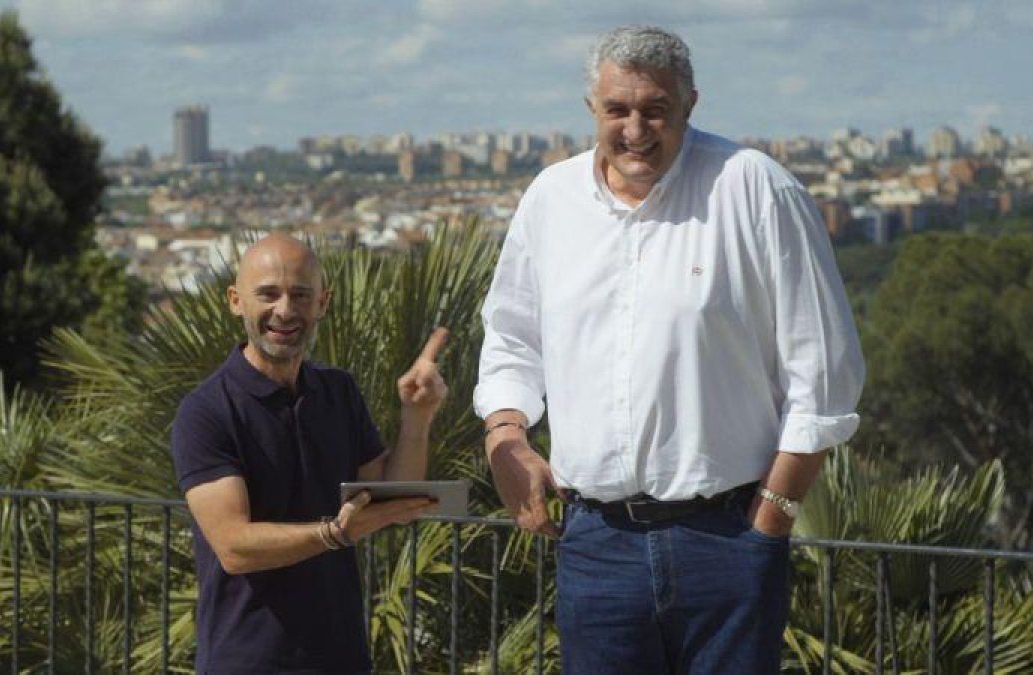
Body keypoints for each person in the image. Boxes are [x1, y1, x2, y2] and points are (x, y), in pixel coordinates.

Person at [475, 25, 865, 674]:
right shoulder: (551, 200)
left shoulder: (756, 190)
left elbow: (825, 373)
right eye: (617, 110)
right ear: (591, 111)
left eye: (655, 109)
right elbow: (511, 339)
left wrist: (773, 516)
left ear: (690, 105)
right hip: (594, 542)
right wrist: (506, 437)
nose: (635, 129)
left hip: (727, 534)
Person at [170, 233, 447, 674]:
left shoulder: (338, 391)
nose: (285, 310)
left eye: (300, 295)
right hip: (247, 662)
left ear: (323, 302)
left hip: (341, 659)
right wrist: (334, 533)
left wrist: (417, 416)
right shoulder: (206, 411)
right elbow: (234, 547)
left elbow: (392, 497)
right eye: (268, 294)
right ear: (235, 301)